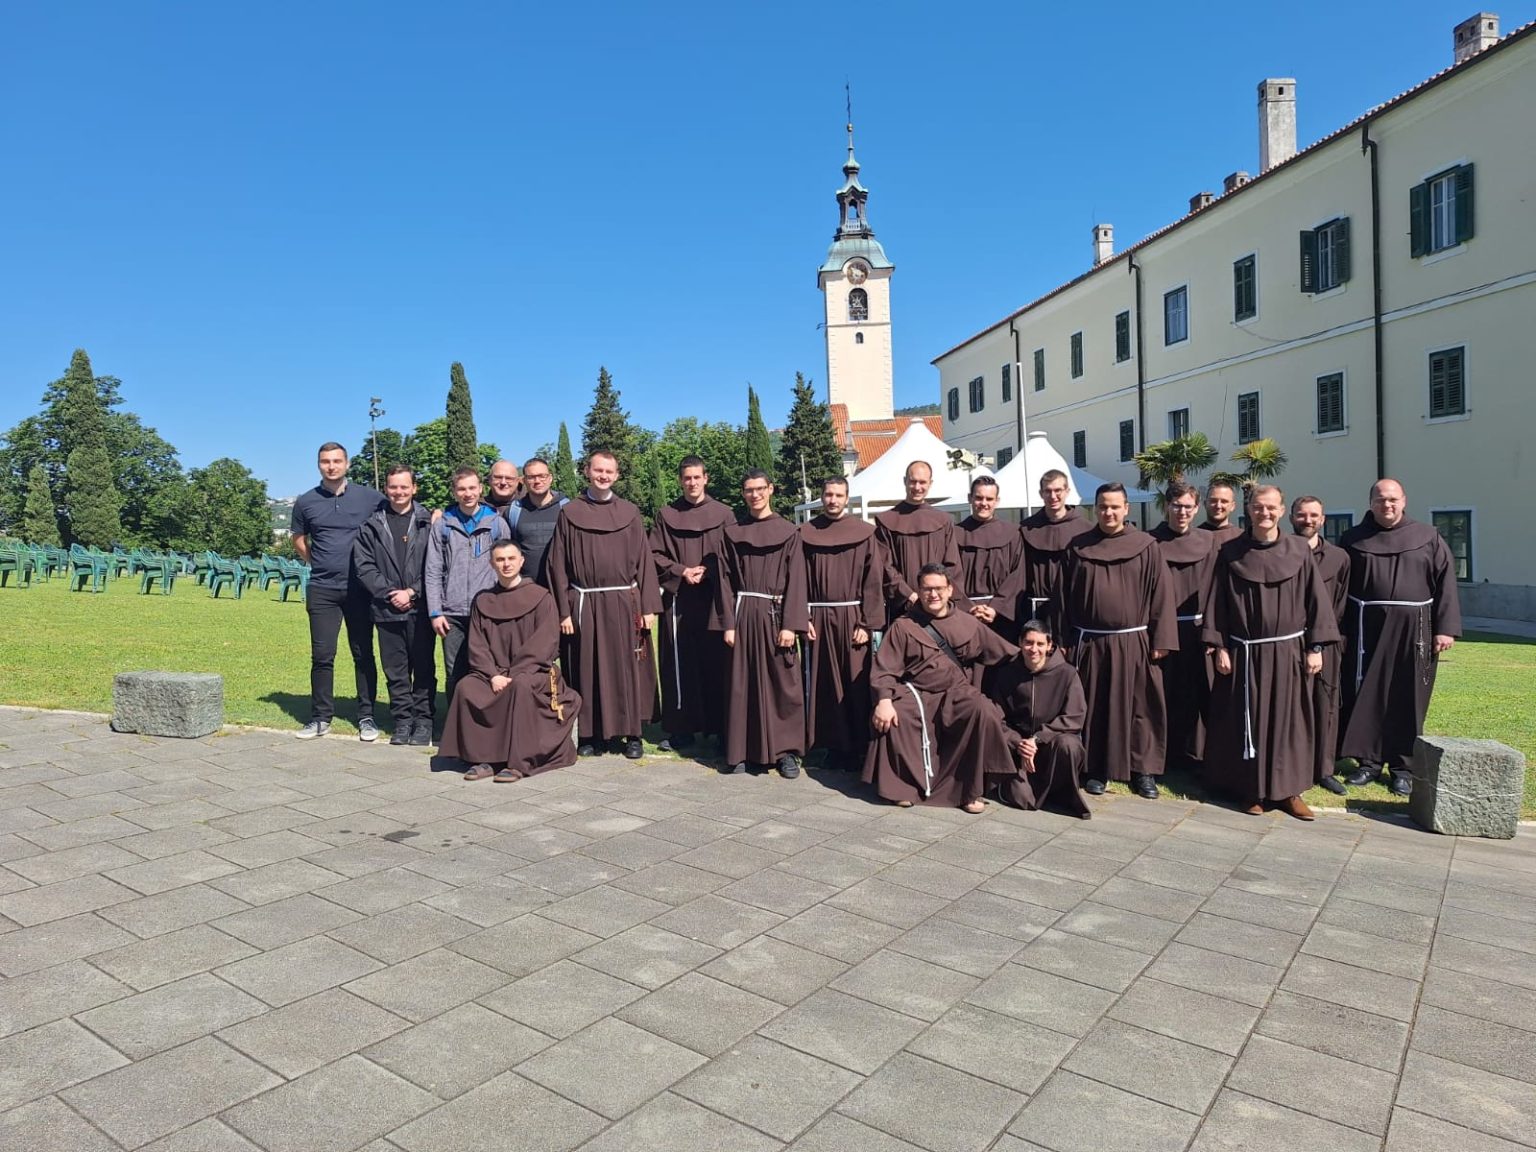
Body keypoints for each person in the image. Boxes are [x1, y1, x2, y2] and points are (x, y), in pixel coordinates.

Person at [1203, 486, 1340, 820]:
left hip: (1289, 652)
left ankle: (1289, 792)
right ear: (1248, 510)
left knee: (1290, 722)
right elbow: (1217, 602)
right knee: (1248, 720)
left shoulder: (1299, 550)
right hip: (1246, 653)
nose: (1264, 513)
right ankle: (1252, 791)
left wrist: (1316, 647)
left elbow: (1316, 600)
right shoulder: (1230, 552)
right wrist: (1219, 646)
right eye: (1258, 507)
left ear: (1281, 511)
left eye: (1271, 507)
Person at [1337, 479, 1461, 795]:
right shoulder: (1352, 539)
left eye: (1393, 499)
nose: (1387, 505)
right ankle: (1368, 763)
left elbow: (1445, 582)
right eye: (1380, 500)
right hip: (1367, 630)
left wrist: (1445, 628)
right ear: (1370, 503)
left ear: (1404, 501)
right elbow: (1339, 587)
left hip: (1415, 631)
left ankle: (1403, 768)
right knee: (1367, 694)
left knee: (1408, 697)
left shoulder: (1428, 537)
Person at [864, 564, 1016, 811]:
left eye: (938, 588)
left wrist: (1046, 660)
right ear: (919, 591)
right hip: (916, 693)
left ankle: (969, 791)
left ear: (950, 590)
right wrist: (883, 700)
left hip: (957, 693)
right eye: (927, 589)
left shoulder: (969, 624)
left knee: (982, 710)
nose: (933, 594)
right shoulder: (903, 626)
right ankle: (904, 788)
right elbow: (885, 668)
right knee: (896, 714)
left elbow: (1006, 654)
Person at [1062, 483, 1177, 799]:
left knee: (1141, 708)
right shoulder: (1077, 546)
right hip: (1091, 643)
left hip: (1134, 643)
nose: (1108, 512)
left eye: (1115, 507)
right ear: (1095, 509)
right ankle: (1095, 768)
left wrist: (1161, 638)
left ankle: (1142, 771)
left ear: (1126, 508)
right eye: (1103, 507)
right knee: (1094, 707)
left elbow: (1161, 594)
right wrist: (1064, 637)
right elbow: (1063, 597)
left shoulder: (1147, 546)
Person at [546, 449, 661, 760]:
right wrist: (563, 611)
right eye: (598, 470)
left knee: (628, 669)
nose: (603, 476)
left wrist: (648, 607)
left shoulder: (630, 512)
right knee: (588, 668)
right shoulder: (570, 513)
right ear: (587, 471)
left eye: (609, 471)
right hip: (585, 603)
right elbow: (557, 565)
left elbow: (645, 561)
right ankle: (589, 734)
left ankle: (633, 734)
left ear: (617, 475)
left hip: (625, 603)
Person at [440, 540, 581, 782]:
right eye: (500, 559)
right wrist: (493, 675)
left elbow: (544, 643)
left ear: (521, 561)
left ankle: (519, 763)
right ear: (492, 564)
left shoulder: (541, 597)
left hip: (533, 671)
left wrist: (514, 674)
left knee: (520, 687)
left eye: (511, 558)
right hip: (493, 672)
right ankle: (484, 760)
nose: (506, 564)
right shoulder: (483, 600)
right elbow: (477, 644)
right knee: (466, 687)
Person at [714, 470, 809, 777]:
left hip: (775, 615)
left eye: (759, 489)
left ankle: (785, 753)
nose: (754, 495)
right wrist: (728, 623)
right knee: (742, 684)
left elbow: (797, 580)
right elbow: (725, 581)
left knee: (783, 684)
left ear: (771, 489)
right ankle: (742, 751)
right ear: (743, 494)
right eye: (748, 490)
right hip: (743, 614)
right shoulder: (732, 533)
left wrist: (790, 625)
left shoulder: (789, 532)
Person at [290, 442, 383, 740]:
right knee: (322, 655)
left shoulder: (370, 498)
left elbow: (398, 511)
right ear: (319, 465)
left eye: (336, 461)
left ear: (347, 464)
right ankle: (320, 718)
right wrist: (317, 562)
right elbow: (298, 539)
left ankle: (367, 717)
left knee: (363, 653)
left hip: (360, 589)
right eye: (325, 461)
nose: (331, 466)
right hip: (323, 589)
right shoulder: (306, 502)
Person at [800, 476, 885, 771]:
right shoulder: (806, 534)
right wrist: (802, 617)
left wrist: (867, 623)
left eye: (838, 495)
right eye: (828, 495)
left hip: (852, 619)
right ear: (821, 497)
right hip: (818, 618)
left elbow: (873, 580)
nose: (832, 500)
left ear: (847, 498)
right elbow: (797, 579)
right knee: (823, 683)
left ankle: (859, 747)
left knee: (855, 682)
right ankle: (831, 746)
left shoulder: (865, 534)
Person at [650, 455, 733, 751]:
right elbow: (653, 553)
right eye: (687, 478)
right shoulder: (666, 515)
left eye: (697, 477)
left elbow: (732, 555)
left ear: (706, 478)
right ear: (680, 480)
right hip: (679, 601)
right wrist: (681, 571)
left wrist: (708, 570)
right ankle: (681, 729)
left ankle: (722, 729)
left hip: (714, 600)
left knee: (718, 664)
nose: (692, 483)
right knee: (679, 664)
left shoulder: (724, 514)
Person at [352, 465, 435, 746]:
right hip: (386, 610)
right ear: (385, 489)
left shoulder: (428, 523)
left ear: (414, 488)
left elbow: (436, 565)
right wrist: (390, 594)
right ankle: (402, 721)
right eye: (393, 487)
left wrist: (412, 592)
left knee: (423, 669)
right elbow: (364, 567)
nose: (398, 492)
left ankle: (423, 722)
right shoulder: (371, 525)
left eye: (404, 486)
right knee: (396, 671)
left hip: (420, 608)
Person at [987, 620, 1091, 818]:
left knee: (1069, 745)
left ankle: (1061, 792)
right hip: (1020, 750)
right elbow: (997, 717)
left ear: (1050, 645)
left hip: (1052, 744)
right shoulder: (1007, 674)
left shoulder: (1067, 674)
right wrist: (1019, 743)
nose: (1034, 649)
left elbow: (1074, 716)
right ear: (1020, 642)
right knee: (1023, 800)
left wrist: (1038, 739)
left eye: (1040, 644)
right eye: (1028, 642)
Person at [426, 467, 508, 707]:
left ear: (481, 489)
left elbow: (507, 568)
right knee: (454, 671)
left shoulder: (496, 524)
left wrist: (503, 605)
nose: (468, 493)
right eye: (462, 489)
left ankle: (486, 720)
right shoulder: (443, 525)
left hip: (487, 611)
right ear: (454, 492)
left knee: (488, 668)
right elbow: (433, 569)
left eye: (472, 488)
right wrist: (435, 611)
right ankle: (456, 721)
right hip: (451, 613)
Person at [1150, 482, 1216, 772]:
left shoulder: (1209, 542)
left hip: (1198, 631)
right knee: (1164, 694)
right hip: (1162, 633)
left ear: (1197, 508)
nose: (1182, 512)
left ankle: (1197, 755)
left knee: (1197, 693)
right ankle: (1164, 755)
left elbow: (1217, 590)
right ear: (1167, 506)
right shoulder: (1150, 542)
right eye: (1177, 505)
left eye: (1188, 506)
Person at [1291, 495, 1351, 795]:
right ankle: (1293, 767)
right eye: (1302, 515)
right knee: (1290, 706)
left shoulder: (1339, 558)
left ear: (1323, 519)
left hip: (1326, 643)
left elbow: (1341, 602)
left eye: (1314, 515)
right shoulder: (1282, 552)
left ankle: (1324, 769)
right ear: (1291, 517)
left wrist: (1324, 641)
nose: (1308, 520)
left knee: (1325, 706)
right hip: (1288, 642)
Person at [996, 469, 1083, 639]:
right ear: (1041, 493)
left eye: (1058, 490)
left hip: (1071, 609)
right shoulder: (1026, 529)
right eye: (1048, 491)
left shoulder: (1084, 530)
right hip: (1033, 611)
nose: (1053, 496)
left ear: (1067, 491)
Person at [872, 460, 961, 626]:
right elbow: (885, 566)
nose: (917, 487)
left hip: (937, 606)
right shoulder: (886, 521)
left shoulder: (944, 521)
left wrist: (938, 595)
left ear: (930, 483)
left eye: (922, 482)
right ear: (905, 481)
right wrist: (909, 595)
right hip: (903, 607)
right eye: (913, 481)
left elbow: (952, 564)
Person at [957, 475, 1025, 640]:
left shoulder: (1012, 534)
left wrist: (996, 608)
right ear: (969, 498)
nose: (984, 503)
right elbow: (949, 575)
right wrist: (968, 608)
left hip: (1001, 618)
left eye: (989, 499)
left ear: (997, 501)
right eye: (979, 498)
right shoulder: (955, 534)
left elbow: (1017, 576)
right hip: (964, 616)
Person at [504, 457, 568, 588]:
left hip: (560, 586)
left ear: (550, 478)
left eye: (542, 476)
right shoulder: (514, 511)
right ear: (523, 481)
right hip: (525, 587)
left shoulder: (566, 508)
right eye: (531, 477)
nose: (537, 481)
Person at [1199, 481, 1243, 546]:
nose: (1218, 506)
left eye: (1224, 501)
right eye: (1213, 501)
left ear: (1232, 506)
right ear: (1205, 504)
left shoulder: (1242, 538)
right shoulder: (1192, 537)